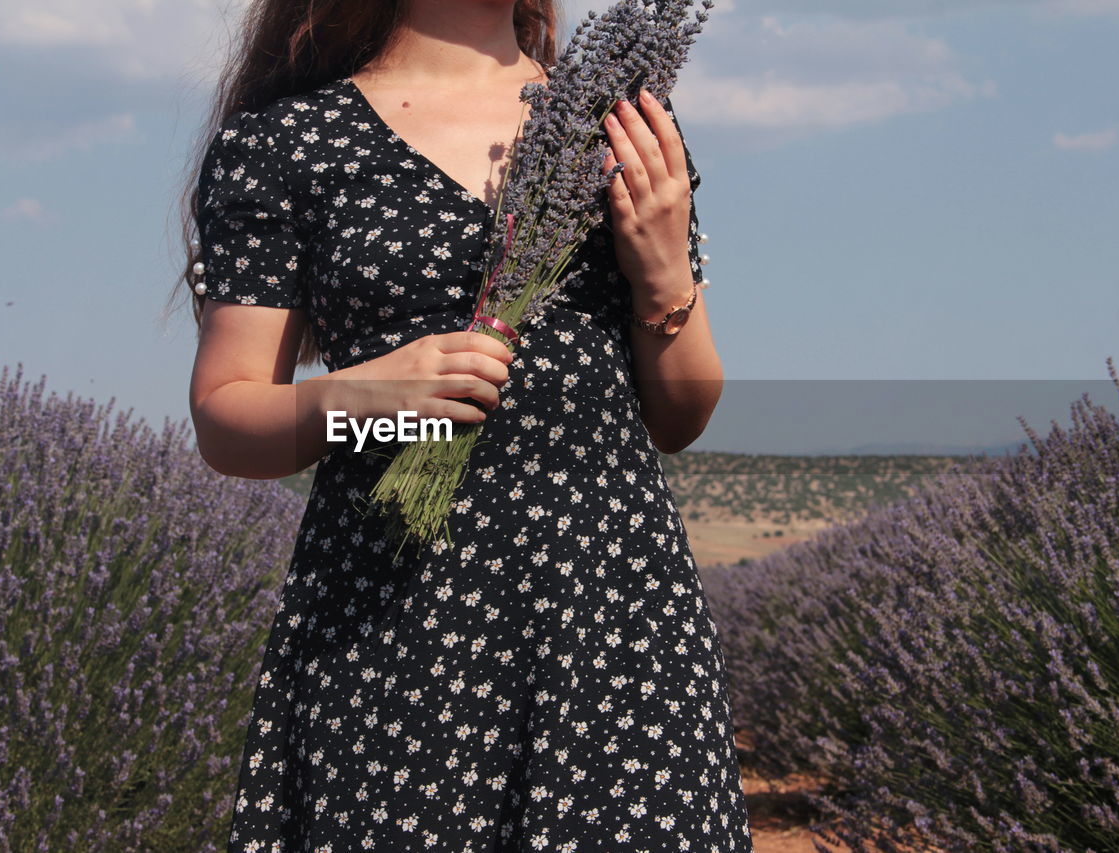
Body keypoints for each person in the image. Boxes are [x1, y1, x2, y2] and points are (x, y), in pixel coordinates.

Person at [183, 0, 752, 849]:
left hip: (615, 621)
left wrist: (666, 266)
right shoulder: (284, 146)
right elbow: (228, 420)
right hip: (394, 629)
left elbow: (681, 414)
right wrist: (368, 394)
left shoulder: (622, 121)